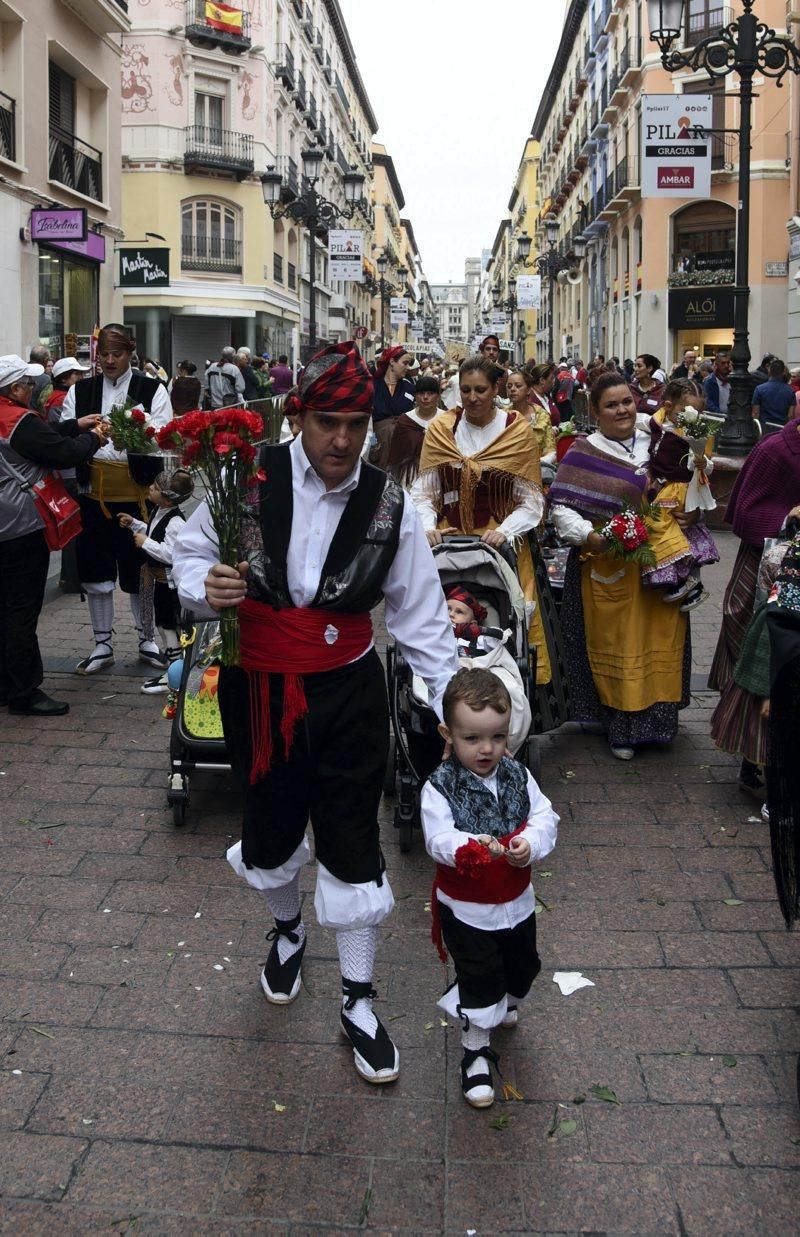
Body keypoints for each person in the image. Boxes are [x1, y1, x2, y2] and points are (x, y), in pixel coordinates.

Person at [171, 341, 460, 1086]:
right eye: (328, 421)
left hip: (347, 688)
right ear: (298, 415)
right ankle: (290, 927)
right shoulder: (246, 475)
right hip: (258, 685)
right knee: (267, 836)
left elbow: (421, 612)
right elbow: (187, 551)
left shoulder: (390, 502)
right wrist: (208, 583)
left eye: (356, 424)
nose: (341, 440)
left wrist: (451, 704)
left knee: (351, 835)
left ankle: (359, 997)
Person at [421, 667, 558, 1108]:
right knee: (479, 976)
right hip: (467, 907)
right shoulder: (440, 787)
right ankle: (475, 1049)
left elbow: (544, 817)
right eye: (473, 739)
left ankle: (506, 998)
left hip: (516, 902)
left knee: (524, 966)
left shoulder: (517, 775)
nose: (487, 749)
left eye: (497, 738)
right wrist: (469, 847)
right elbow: (437, 838)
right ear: (449, 734)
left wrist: (529, 843)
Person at [549, 373, 693, 759]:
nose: (622, 410)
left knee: (660, 639)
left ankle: (660, 723)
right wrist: (589, 535)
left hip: (660, 563)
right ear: (595, 412)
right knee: (618, 644)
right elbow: (561, 507)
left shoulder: (659, 442)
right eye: (611, 405)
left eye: (627, 401)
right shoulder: (583, 453)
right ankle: (621, 729)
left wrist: (688, 515)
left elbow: (687, 490)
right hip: (609, 564)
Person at [60, 323, 173, 675]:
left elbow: (164, 436)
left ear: (130, 353)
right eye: (103, 354)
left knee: (142, 568)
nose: (109, 360)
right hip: (94, 494)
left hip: (139, 495)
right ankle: (102, 644)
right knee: (96, 569)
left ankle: (146, 640)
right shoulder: (82, 391)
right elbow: (66, 431)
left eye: (117, 353)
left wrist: (134, 432)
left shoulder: (152, 388)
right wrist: (82, 428)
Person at [0, 354, 107, 715]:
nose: (34, 389)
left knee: (4, 607)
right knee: (20, 609)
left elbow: (39, 442)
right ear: (15, 388)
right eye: (29, 384)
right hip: (19, 526)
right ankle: (24, 692)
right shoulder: (19, 419)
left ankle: (6, 683)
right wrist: (94, 438)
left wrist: (74, 424)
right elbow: (61, 454)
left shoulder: (11, 418)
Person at [709, 416, 800, 724]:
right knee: (755, 638)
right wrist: (788, 518)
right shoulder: (775, 450)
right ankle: (749, 741)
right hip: (763, 566)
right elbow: (746, 511)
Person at [711, 509, 800, 798]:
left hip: (769, 629)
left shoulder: (776, 553)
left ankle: (752, 770)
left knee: (757, 711)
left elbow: (762, 594)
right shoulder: (781, 557)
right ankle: (774, 789)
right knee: (769, 712)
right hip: (780, 634)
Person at [643, 378, 720, 611]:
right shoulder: (654, 426)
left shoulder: (695, 432)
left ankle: (686, 580)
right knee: (663, 529)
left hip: (681, 490)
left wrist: (700, 462)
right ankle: (681, 581)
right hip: (662, 489)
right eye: (686, 410)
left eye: (698, 412)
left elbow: (706, 467)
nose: (692, 417)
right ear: (668, 406)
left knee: (667, 528)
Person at [118, 468, 195, 694]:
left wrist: (145, 543)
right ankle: (174, 671)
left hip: (169, 585)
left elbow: (172, 554)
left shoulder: (175, 523)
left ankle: (175, 674)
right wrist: (135, 524)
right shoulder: (159, 511)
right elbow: (153, 532)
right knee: (164, 626)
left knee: (169, 626)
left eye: (155, 488)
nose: (149, 489)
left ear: (168, 498)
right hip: (159, 582)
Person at [386, 373, 441, 488]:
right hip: (410, 476)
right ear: (415, 396)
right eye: (421, 393)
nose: (425, 397)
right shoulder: (406, 420)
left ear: (438, 396)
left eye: (430, 393)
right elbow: (397, 452)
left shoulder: (446, 419)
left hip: (439, 474)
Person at [372, 346, 414, 469]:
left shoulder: (409, 388)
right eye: (405, 363)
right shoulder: (372, 386)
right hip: (378, 445)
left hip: (402, 445)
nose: (408, 367)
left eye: (409, 364)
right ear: (392, 362)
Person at [508, 367, 555, 464]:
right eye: (509, 386)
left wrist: (535, 464)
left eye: (518, 386)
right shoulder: (502, 416)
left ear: (528, 390)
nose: (512, 389)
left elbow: (551, 451)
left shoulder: (541, 415)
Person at [752, 358, 796, 435]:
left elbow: (755, 413)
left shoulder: (759, 389)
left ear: (769, 371)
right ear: (783, 372)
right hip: (781, 430)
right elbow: (790, 416)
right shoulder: (790, 391)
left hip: (764, 429)